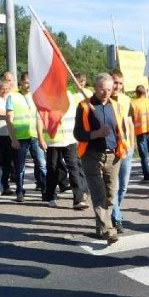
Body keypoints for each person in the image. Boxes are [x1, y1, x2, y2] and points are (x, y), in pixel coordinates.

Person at [73, 73, 127, 244]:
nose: (106, 93)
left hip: (113, 155)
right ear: (95, 88)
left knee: (111, 194)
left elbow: (121, 129)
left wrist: (123, 147)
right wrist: (96, 133)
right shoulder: (84, 106)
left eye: (109, 89)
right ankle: (107, 229)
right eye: (102, 89)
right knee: (99, 193)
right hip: (92, 155)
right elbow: (78, 133)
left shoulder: (116, 106)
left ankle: (102, 225)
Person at [40, 85, 89, 210]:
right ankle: (50, 196)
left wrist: (79, 136)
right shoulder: (46, 97)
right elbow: (40, 118)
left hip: (70, 139)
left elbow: (78, 115)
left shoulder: (70, 97)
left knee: (74, 168)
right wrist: (40, 137)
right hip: (53, 140)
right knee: (53, 168)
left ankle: (78, 199)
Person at [6, 73, 47, 203]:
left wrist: (42, 137)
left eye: (31, 83)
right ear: (21, 83)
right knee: (20, 166)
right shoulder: (12, 96)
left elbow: (40, 116)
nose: (28, 85)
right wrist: (13, 139)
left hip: (35, 135)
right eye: (26, 83)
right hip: (20, 137)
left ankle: (46, 191)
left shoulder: (36, 96)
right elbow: (9, 119)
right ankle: (19, 191)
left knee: (42, 164)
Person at [108, 70, 134, 234]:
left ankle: (113, 210)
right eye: (115, 82)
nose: (117, 86)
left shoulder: (126, 100)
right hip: (111, 148)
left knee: (123, 186)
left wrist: (132, 143)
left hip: (126, 147)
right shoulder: (104, 99)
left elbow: (130, 123)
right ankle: (116, 217)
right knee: (114, 186)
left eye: (120, 83)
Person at [131, 84, 149, 183]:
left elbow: (131, 119)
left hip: (140, 132)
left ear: (137, 93)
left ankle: (147, 176)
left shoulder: (134, 104)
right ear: (145, 92)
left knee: (144, 155)